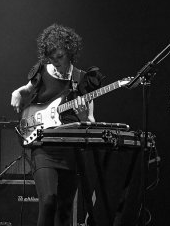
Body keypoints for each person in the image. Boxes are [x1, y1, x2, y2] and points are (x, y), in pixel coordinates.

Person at [11, 23, 102, 226]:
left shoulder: (81, 79)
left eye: (59, 57)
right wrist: (17, 93)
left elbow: (91, 121)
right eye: (52, 58)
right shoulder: (42, 72)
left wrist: (84, 115)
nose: (56, 62)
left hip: (71, 150)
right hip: (44, 147)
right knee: (49, 201)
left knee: (65, 208)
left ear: (70, 52)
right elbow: (26, 90)